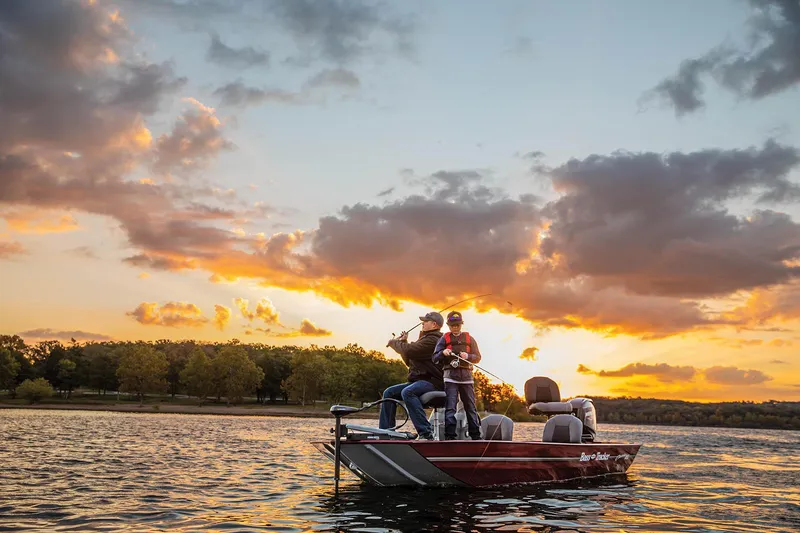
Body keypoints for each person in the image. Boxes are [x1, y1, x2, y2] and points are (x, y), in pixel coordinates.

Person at [381, 311, 445, 440]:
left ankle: (426, 433)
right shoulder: (424, 339)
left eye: (425, 321)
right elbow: (409, 360)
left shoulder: (434, 340)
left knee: (408, 392)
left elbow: (410, 350)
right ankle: (385, 433)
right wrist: (404, 342)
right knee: (389, 393)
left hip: (433, 382)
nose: (422, 323)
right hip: (419, 382)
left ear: (434, 324)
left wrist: (394, 343)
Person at [433, 310, 482, 440]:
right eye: (452, 325)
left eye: (457, 325)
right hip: (450, 378)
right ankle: (450, 436)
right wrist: (443, 352)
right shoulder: (444, 339)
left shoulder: (470, 339)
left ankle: (476, 435)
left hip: (467, 379)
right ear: (448, 326)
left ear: (461, 324)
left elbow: (478, 357)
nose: (455, 327)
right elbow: (435, 358)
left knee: (471, 408)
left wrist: (469, 356)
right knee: (450, 408)